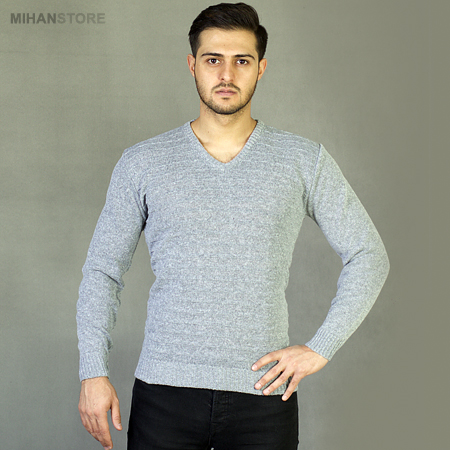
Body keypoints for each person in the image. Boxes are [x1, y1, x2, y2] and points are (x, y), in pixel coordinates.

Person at [77, 3, 390, 450]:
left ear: (261, 68)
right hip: (164, 396)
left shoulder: (303, 160)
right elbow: (102, 271)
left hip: (264, 400)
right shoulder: (143, 163)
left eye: (242, 60)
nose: (226, 74)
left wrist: (320, 346)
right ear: (192, 65)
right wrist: (93, 370)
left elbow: (368, 256)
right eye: (213, 60)